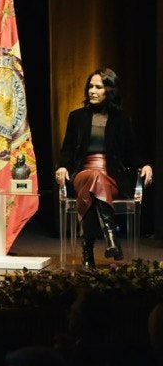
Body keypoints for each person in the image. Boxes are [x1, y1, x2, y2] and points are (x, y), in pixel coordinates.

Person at [55, 68, 153, 267]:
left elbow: (131, 152)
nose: (92, 90)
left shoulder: (122, 119)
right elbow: (66, 150)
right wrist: (62, 167)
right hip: (83, 173)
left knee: (94, 186)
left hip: (112, 177)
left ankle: (87, 247)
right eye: (90, 86)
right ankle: (111, 239)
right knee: (93, 177)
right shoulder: (76, 117)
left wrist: (145, 165)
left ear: (109, 90)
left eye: (98, 87)